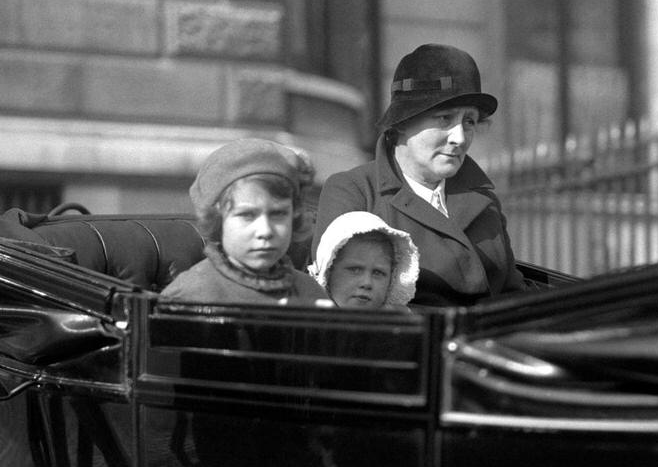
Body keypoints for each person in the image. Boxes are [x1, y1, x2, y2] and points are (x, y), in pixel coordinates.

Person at [312, 43, 526, 308]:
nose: (459, 138)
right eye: (444, 119)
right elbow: (341, 295)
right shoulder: (355, 191)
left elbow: (512, 293)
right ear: (402, 123)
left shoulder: (483, 199)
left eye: (469, 121)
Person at [160, 137, 329, 306]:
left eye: (278, 214)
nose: (265, 231)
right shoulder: (189, 297)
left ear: (295, 216)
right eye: (247, 215)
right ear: (218, 219)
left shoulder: (310, 294)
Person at [309, 210, 420, 311]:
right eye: (355, 270)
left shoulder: (402, 326)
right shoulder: (306, 322)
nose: (366, 283)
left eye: (378, 273)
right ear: (329, 271)